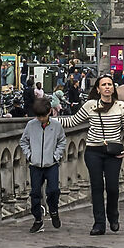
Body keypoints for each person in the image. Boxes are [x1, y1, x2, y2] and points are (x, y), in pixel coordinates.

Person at [80, 73, 124, 235]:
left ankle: (113, 215)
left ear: (113, 87)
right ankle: (99, 223)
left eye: (109, 84)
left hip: (113, 152)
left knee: (112, 187)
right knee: (97, 187)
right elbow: (73, 121)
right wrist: (48, 119)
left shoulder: (121, 106)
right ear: (98, 89)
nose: (107, 87)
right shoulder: (91, 105)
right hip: (93, 151)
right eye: (103, 85)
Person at [19, 94, 70, 229]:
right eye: (38, 116)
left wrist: (56, 156)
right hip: (35, 165)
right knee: (35, 193)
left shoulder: (56, 125)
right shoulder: (31, 125)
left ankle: (53, 210)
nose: (41, 119)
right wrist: (30, 156)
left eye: (43, 116)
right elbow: (23, 141)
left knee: (53, 190)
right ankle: (37, 219)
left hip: (51, 164)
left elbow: (62, 141)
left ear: (49, 112)